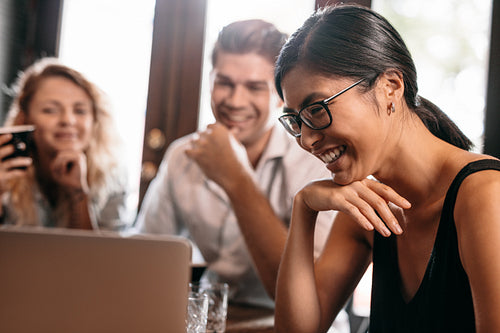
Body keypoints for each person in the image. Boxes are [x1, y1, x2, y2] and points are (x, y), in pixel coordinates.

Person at [273, 4, 500, 333]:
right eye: (295, 120)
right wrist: (304, 209)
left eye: (317, 109)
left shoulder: (485, 197)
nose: (307, 140)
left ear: (390, 86)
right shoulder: (367, 210)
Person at [135, 19, 349, 330]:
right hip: (220, 319)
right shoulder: (184, 155)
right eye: (224, 83)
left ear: (280, 96)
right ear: (210, 81)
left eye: (253, 87)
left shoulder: (316, 157)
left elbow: (308, 298)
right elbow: (145, 259)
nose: (235, 101)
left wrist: (235, 179)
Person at [0, 57, 135, 230]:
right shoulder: (5, 170)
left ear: (95, 119)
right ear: (25, 116)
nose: (68, 120)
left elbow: (100, 256)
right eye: (50, 110)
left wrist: (77, 194)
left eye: (80, 111)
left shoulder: (112, 177)